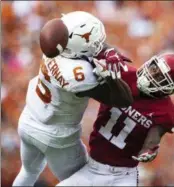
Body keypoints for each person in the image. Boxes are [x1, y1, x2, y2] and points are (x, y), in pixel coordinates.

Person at [13, 11, 133, 186]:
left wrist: (108, 52)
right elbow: (124, 100)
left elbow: (86, 46)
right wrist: (111, 77)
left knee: (29, 171)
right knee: (82, 182)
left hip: (28, 121)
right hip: (57, 138)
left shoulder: (53, 45)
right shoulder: (80, 75)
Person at [57, 52, 174, 186]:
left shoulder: (166, 111)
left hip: (123, 176)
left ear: (170, 88)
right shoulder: (123, 72)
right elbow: (88, 52)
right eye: (154, 68)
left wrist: (150, 150)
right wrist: (108, 53)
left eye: (161, 77)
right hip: (92, 167)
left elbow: (154, 137)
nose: (152, 74)